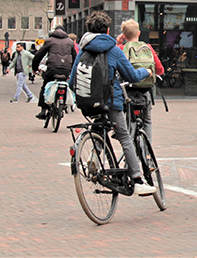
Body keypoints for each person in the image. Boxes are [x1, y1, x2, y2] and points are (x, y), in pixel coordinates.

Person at [69, 11, 156, 196]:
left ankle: (94, 156)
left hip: (87, 103)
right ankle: (138, 180)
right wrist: (145, 72)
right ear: (107, 30)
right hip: (111, 103)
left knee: (99, 126)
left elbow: (71, 81)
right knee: (124, 137)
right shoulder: (114, 50)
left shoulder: (83, 50)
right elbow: (131, 76)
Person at [120, 19, 164, 142]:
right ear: (138, 33)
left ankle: (130, 150)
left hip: (129, 92)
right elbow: (160, 69)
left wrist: (118, 43)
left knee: (129, 120)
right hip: (145, 92)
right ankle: (147, 153)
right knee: (147, 121)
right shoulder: (148, 47)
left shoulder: (122, 48)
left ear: (123, 35)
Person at [31, 26, 78, 120]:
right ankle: (63, 103)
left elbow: (39, 55)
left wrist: (34, 68)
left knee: (45, 86)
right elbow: (75, 57)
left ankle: (43, 110)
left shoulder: (50, 40)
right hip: (66, 69)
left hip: (52, 68)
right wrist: (73, 69)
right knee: (65, 83)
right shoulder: (69, 41)